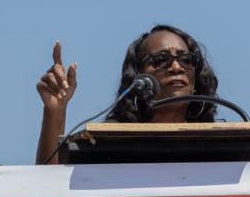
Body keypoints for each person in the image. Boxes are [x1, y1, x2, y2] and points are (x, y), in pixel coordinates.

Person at [36, 25, 218, 164]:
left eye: (186, 60)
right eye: (161, 60)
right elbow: (50, 194)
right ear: (138, 78)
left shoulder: (221, 143)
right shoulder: (106, 143)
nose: (176, 68)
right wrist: (54, 111)